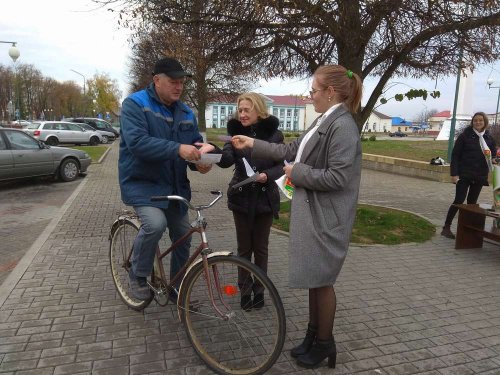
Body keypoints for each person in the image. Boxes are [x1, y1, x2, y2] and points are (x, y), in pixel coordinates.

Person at [232, 65, 363, 369]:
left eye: (314, 91)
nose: (310, 95)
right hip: (315, 215)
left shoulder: (343, 126)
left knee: (323, 281)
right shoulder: (324, 120)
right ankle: (312, 336)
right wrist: (251, 142)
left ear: (331, 92)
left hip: (327, 220)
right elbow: (290, 148)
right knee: (314, 279)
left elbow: (338, 177)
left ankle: (325, 343)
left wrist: (296, 173)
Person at [119, 57, 214, 301]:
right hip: (143, 184)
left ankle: (176, 287)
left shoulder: (185, 112)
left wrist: (199, 162)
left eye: (182, 82)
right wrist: (177, 149)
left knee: (184, 234)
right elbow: (137, 143)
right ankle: (138, 276)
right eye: (174, 81)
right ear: (156, 80)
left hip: (174, 187)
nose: (179, 87)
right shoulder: (135, 104)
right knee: (155, 224)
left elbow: (191, 146)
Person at [216, 92, 284, 311]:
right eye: (240, 110)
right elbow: (226, 160)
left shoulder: (274, 135)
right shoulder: (235, 132)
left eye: (247, 110)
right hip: (242, 198)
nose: (242, 114)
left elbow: (281, 165)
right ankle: (244, 291)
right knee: (244, 249)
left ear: (259, 111)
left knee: (261, 249)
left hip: (265, 198)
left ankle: (260, 290)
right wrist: (214, 152)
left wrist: (268, 175)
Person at [441, 112, 496, 239]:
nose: (478, 122)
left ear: (485, 122)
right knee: (459, 200)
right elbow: (455, 155)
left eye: (480, 120)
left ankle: (468, 229)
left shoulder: (489, 138)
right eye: (475, 120)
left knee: (472, 203)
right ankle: (446, 227)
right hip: (464, 174)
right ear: (472, 122)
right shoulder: (465, 136)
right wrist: (454, 174)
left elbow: (492, 155)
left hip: (479, 176)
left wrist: (493, 160)